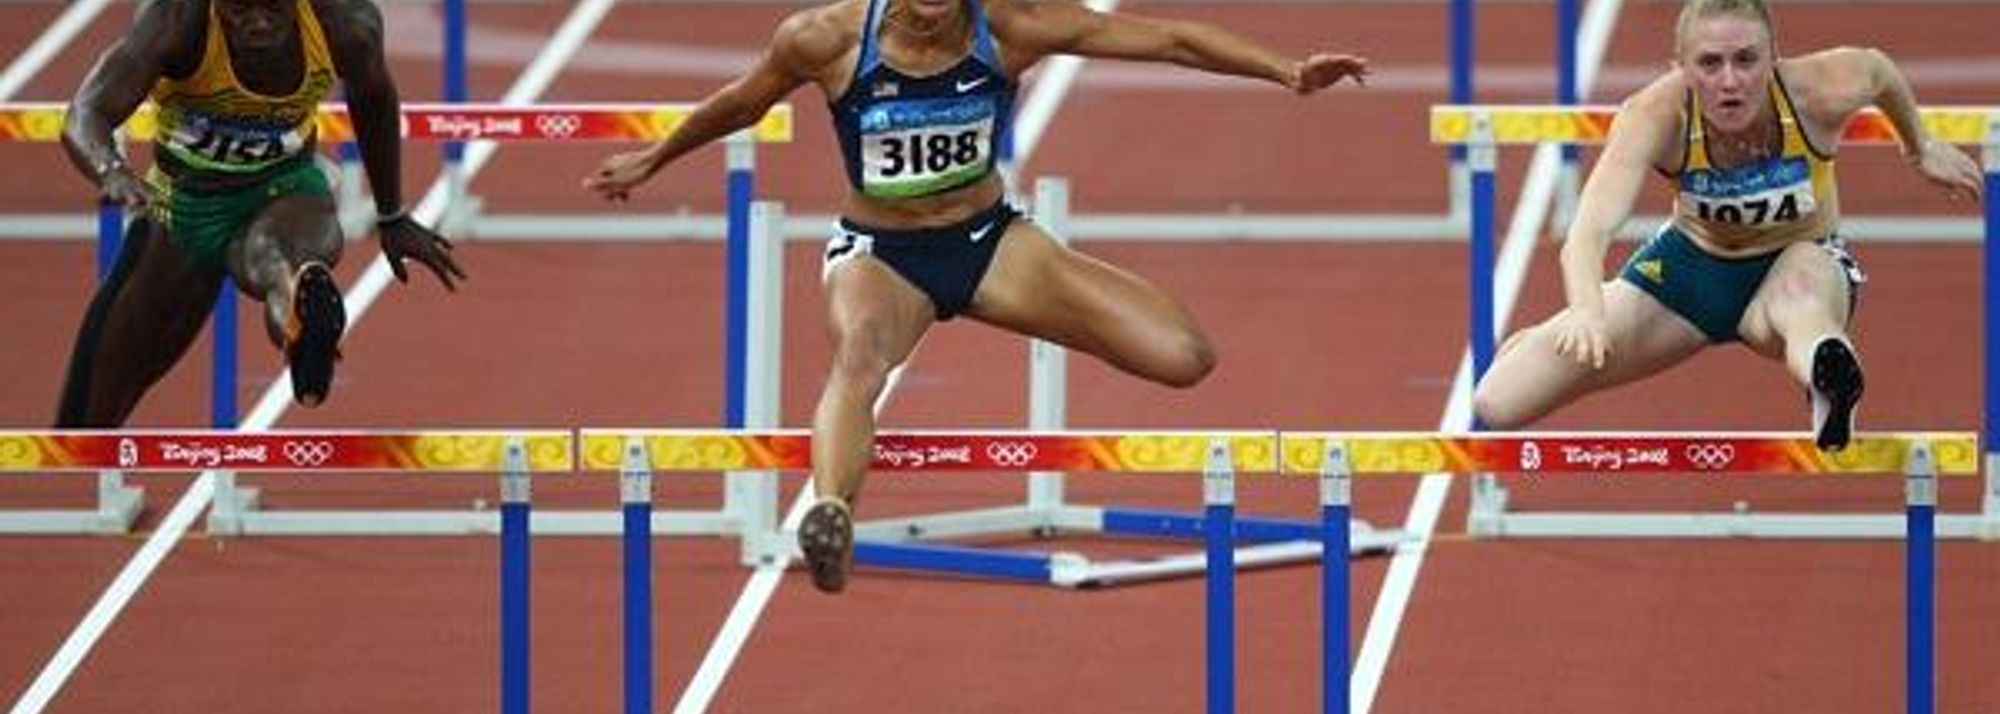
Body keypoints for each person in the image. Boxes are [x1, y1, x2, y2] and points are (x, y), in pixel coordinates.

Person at [585, 0, 1367, 592]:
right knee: (861, 356)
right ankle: (833, 511)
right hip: (883, 256)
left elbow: (1167, 39)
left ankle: (1043, 311)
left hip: (992, 243)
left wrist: (1286, 70)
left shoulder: (1012, 27)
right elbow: (744, 102)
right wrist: (656, 157)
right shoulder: (824, 39)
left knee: (1183, 356)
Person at [1472, 0, 1982, 450]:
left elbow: (1877, 69)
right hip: (1688, 276)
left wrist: (1920, 146)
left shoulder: (1821, 89)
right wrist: (1587, 310)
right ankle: (1531, 343)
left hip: (1796, 264)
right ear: (1681, 68)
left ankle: (1829, 380)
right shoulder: (1654, 114)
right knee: (1498, 402)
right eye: (1710, 64)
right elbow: (1587, 233)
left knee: (1804, 308)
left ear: (1773, 57)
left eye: (1746, 60)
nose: (1730, 81)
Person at [57, 0, 466, 427]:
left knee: (274, 257)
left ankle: (301, 319)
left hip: (285, 189)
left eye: (272, 6)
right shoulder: (178, 18)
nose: (257, 22)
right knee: (95, 407)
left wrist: (392, 215)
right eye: (239, 9)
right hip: (182, 205)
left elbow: (374, 99)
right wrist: (111, 170)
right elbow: (86, 114)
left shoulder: (344, 22)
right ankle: (295, 310)